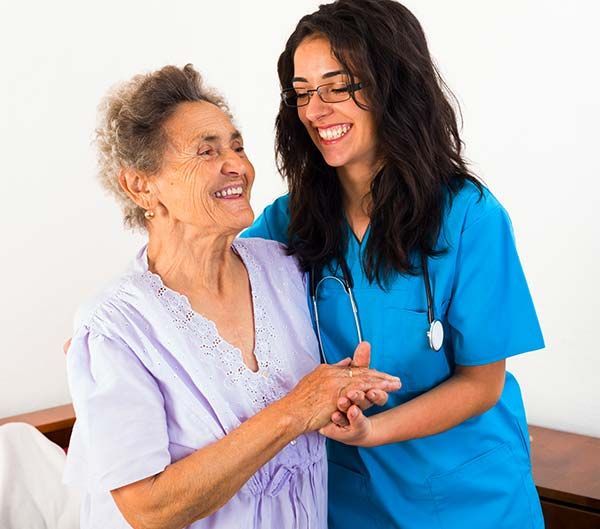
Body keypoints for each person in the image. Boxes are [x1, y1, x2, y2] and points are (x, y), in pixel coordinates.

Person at [242, 1, 546, 528]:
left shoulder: (469, 216)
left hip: (469, 499)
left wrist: (372, 431)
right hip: (350, 496)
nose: (316, 109)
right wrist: (128, 322)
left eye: (339, 86)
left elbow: (482, 383)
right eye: (303, 92)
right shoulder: (290, 220)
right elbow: (209, 281)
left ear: (392, 86)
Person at [63, 64, 400, 529]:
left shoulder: (284, 267)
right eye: (207, 151)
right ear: (140, 184)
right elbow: (148, 509)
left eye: (238, 146)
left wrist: (339, 394)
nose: (237, 164)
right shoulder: (115, 327)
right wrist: (296, 410)